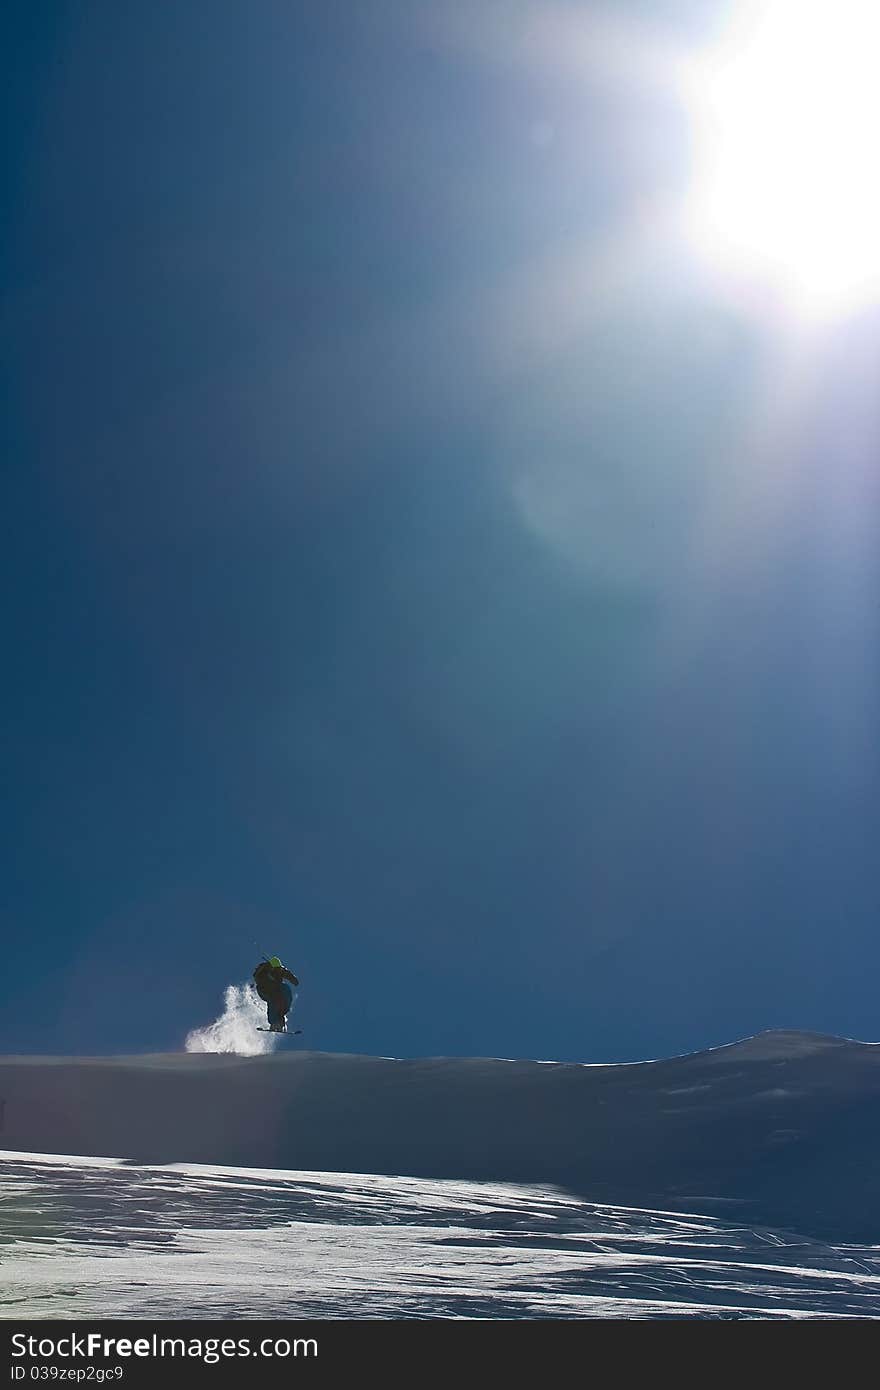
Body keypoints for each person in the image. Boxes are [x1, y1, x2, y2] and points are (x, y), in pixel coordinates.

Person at [252, 956, 300, 1033]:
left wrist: (293, 979)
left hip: (277, 989)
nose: (277, 971)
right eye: (275, 969)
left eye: (279, 969)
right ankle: (274, 1023)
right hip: (265, 990)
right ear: (271, 967)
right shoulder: (265, 969)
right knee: (274, 1000)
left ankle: (280, 1023)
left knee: (285, 991)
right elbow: (256, 976)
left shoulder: (280, 970)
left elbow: (286, 973)